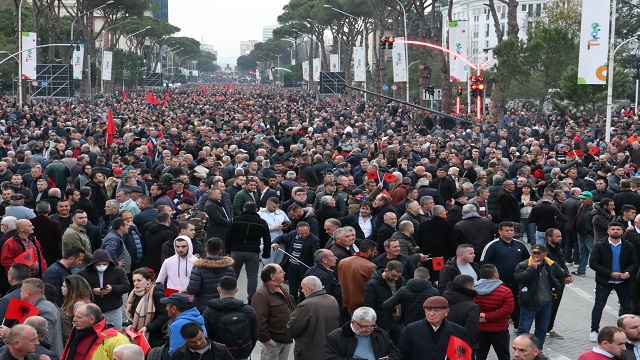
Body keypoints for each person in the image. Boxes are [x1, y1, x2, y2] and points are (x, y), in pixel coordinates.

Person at [589, 222, 639, 342]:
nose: (615, 231)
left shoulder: (628, 245)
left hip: (623, 282)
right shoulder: (600, 245)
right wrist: (610, 273)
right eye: (613, 229)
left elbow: (634, 262)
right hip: (604, 282)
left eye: (618, 229)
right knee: (598, 306)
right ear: (608, 231)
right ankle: (594, 330)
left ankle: (627, 333)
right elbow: (593, 263)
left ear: (622, 231)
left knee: (627, 308)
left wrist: (628, 272)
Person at [514, 243, 565, 350]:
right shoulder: (523, 265)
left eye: (539, 253)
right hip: (529, 304)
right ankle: (520, 351)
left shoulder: (551, 265)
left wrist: (556, 287)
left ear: (545, 254)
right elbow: (521, 278)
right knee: (524, 329)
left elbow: (561, 275)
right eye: (533, 253)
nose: (535, 255)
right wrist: (532, 268)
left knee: (541, 330)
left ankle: (538, 351)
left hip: (546, 304)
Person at [480, 222, 530, 331]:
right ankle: (502, 326)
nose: (510, 232)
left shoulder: (520, 245)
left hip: (517, 281)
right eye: (507, 230)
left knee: (518, 304)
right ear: (500, 231)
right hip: (499, 283)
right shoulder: (492, 245)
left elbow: (528, 260)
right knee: (500, 305)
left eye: (511, 230)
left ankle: (518, 327)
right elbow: (484, 263)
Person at [224, 202, 271, 304]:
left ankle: (228, 297)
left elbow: (227, 236)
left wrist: (228, 250)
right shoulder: (262, 222)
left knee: (233, 275)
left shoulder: (235, 220)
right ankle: (251, 299)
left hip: (236, 251)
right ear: (256, 210)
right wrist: (266, 253)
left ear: (244, 209)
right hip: (253, 251)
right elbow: (267, 239)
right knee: (252, 277)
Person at [398, 296, 471, 360]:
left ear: (446, 312)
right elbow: (403, 355)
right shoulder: (411, 330)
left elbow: (465, 356)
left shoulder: (458, 332)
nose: (431, 314)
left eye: (436, 310)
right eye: (429, 310)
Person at [203, 276, 258, 360]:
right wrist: (247, 351)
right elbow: (255, 334)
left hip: (219, 355)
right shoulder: (248, 310)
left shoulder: (209, 312)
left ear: (218, 290)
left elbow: (206, 337)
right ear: (236, 290)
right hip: (242, 354)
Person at [286, 276, 340, 360]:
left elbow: (292, 329)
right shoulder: (332, 300)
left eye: (302, 288)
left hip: (309, 352)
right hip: (329, 350)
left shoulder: (306, 305)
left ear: (309, 288)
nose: (302, 291)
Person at [77, 249, 130, 331]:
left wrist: (112, 288)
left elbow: (126, 286)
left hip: (113, 310)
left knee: (115, 334)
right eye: (98, 264)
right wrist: (92, 291)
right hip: (92, 311)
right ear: (93, 264)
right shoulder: (83, 273)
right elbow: (78, 289)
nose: (101, 266)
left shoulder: (118, 271)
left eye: (104, 264)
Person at [251, 264, 295, 360]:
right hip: (273, 342)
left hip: (286, 339)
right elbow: (259, 319)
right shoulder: (261, 295)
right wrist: (266, 340)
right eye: (281, 271)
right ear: (272, 276)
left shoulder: (282, 289)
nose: (284, 273)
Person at [323, 307, 400, 360]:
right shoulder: (336, 337)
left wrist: (390, 358)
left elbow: (395, 353)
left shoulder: (380, 333)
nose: (369, 330)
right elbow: (330, 358)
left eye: (372, 326)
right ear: (353, 322)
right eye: (364, 326)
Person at [60, 303, 130, 360]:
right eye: (75, 316)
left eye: (78, 317)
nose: (74, 320)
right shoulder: (76, 332)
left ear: (91, 320)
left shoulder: (115, 338)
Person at [474, 264, 514, 360]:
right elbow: (507, 310)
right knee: (503, 355)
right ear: (495, 274)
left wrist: (480, 316)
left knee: (479, 355)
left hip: (480, 329)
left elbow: (470, 307)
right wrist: (487, 316)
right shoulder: (505, 291)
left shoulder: (473, 290)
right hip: (499, 329)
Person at [272, 222, 319, 302]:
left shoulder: (314, 240)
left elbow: (315, 254)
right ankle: (293, 305)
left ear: (309, 229)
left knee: (303, 290)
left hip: (304, 269)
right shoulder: (292, 234)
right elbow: (281, 238)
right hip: (292, 266)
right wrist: (274, 243)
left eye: (306, 233)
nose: (304, 235)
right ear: (297, 230)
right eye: (301, 233)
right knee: (292, 290)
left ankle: (301, 305)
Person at [364, 260, 407, 345]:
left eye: (398, 276)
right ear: (386, 271)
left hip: (399, 321)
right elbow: (369, 305)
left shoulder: (402, 281)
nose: (396, 278)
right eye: (393, 276)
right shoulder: (373, 284)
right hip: (383, 321)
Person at [187, 237, 235, 311]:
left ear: (205, 249)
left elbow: (193, 290)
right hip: (224, 305)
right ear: (221, 251)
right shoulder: (229, 268)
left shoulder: (198, 267)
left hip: (203, 306)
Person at [125, 267, 169, 348]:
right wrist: (130, 324)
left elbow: (165, 315)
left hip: (154, 336)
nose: (135, 283)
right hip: (137, 334)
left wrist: (148, 327)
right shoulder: (133, 294)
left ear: (148, 281)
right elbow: (132, 315)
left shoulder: (156, 293)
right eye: (134, 281)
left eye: (139, 280)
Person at [18, 279, 63, 357]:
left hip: (45, 356)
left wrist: (13, 335)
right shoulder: (42, 306)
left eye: (21, 291)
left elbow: (44, 340)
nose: (20, 293)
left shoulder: (44, 310)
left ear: (27, 292)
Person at [544, 228, 574, 339]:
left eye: (560, 236)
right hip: (549, 285)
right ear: (549, 238)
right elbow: (548, 270)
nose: (560, 238)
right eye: (557, 236)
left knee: (555, 306)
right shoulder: (545, 251)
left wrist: (568, 275)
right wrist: (562, 279)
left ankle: (549, 328)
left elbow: (563, 265)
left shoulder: (558, 249)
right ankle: (544, 329)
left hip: (559, 284)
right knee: (548, 307)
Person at [338, 239, 377, 315]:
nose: (375, 254)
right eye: (374, 252)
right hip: (362, 303)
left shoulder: (343, 262)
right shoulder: (370, 266)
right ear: (369, 252)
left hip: (346, 301)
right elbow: (374, 286)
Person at [170, 321, 234, 360]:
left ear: (203, 332)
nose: (198, 343)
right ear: (185, 339)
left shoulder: (221, 349)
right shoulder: (178, 354)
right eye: (192, 342)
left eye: (200, 339)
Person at [59, 275, 93, 341]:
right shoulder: (70, 302)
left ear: (71, 289)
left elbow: (81, 326)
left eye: (64, 286)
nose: (61, 288)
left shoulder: (80, 305)